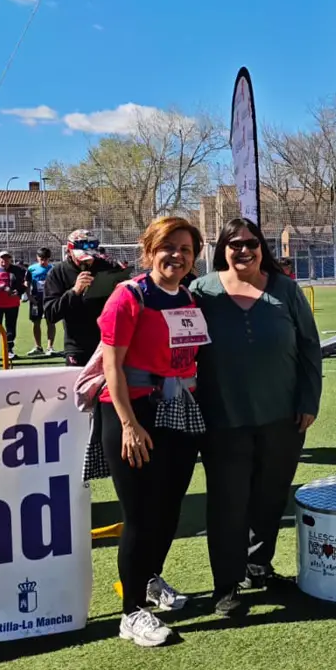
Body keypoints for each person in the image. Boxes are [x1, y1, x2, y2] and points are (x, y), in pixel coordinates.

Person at [86, 216, 205, 647]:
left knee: (169, 509)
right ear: (149, 249)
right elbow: (112, 366)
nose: (177, 256)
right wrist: (128, 424)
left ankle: (151, 581)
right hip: (131, 414)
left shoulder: (188, 296)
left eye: (186, 250)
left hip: (177, 412)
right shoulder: (128, 296)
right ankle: (131, 611)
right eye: (168, 247)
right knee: (139, 515)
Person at [194, 218, 322, 616]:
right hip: (223, 418)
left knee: (270, 497)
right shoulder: (201, 291)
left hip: (282, 415)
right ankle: (226, 586)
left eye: (251, 243)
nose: (243, 250)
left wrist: (309, 399)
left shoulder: (285, 289)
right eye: (234, 245)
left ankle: (258, 566)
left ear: (262, 246)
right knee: (228, 503)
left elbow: (309, 347)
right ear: (222, 250)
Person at [45, 230, 133, 366]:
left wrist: (122, 281)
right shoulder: (57, 273)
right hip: (78, 347)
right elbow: (51, 314)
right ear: (69, 251)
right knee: (79, 386)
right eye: (83, 258)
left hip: (110, 341)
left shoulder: (108, 267)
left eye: (91, 257)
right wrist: (74, 291)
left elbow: (127, 300)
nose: (88, 261)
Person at [24, 247, 56, 356]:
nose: (43, 261)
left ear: (49, 259)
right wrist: (29, 296)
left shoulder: (53, 269)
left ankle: (50, 347)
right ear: (37, 258)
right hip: (36, 300)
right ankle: (38, 347)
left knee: (50, 322)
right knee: (36, 322)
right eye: (41, 259)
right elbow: (27, 284)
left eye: (46, 259)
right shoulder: (31, 269)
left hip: (49, 300)